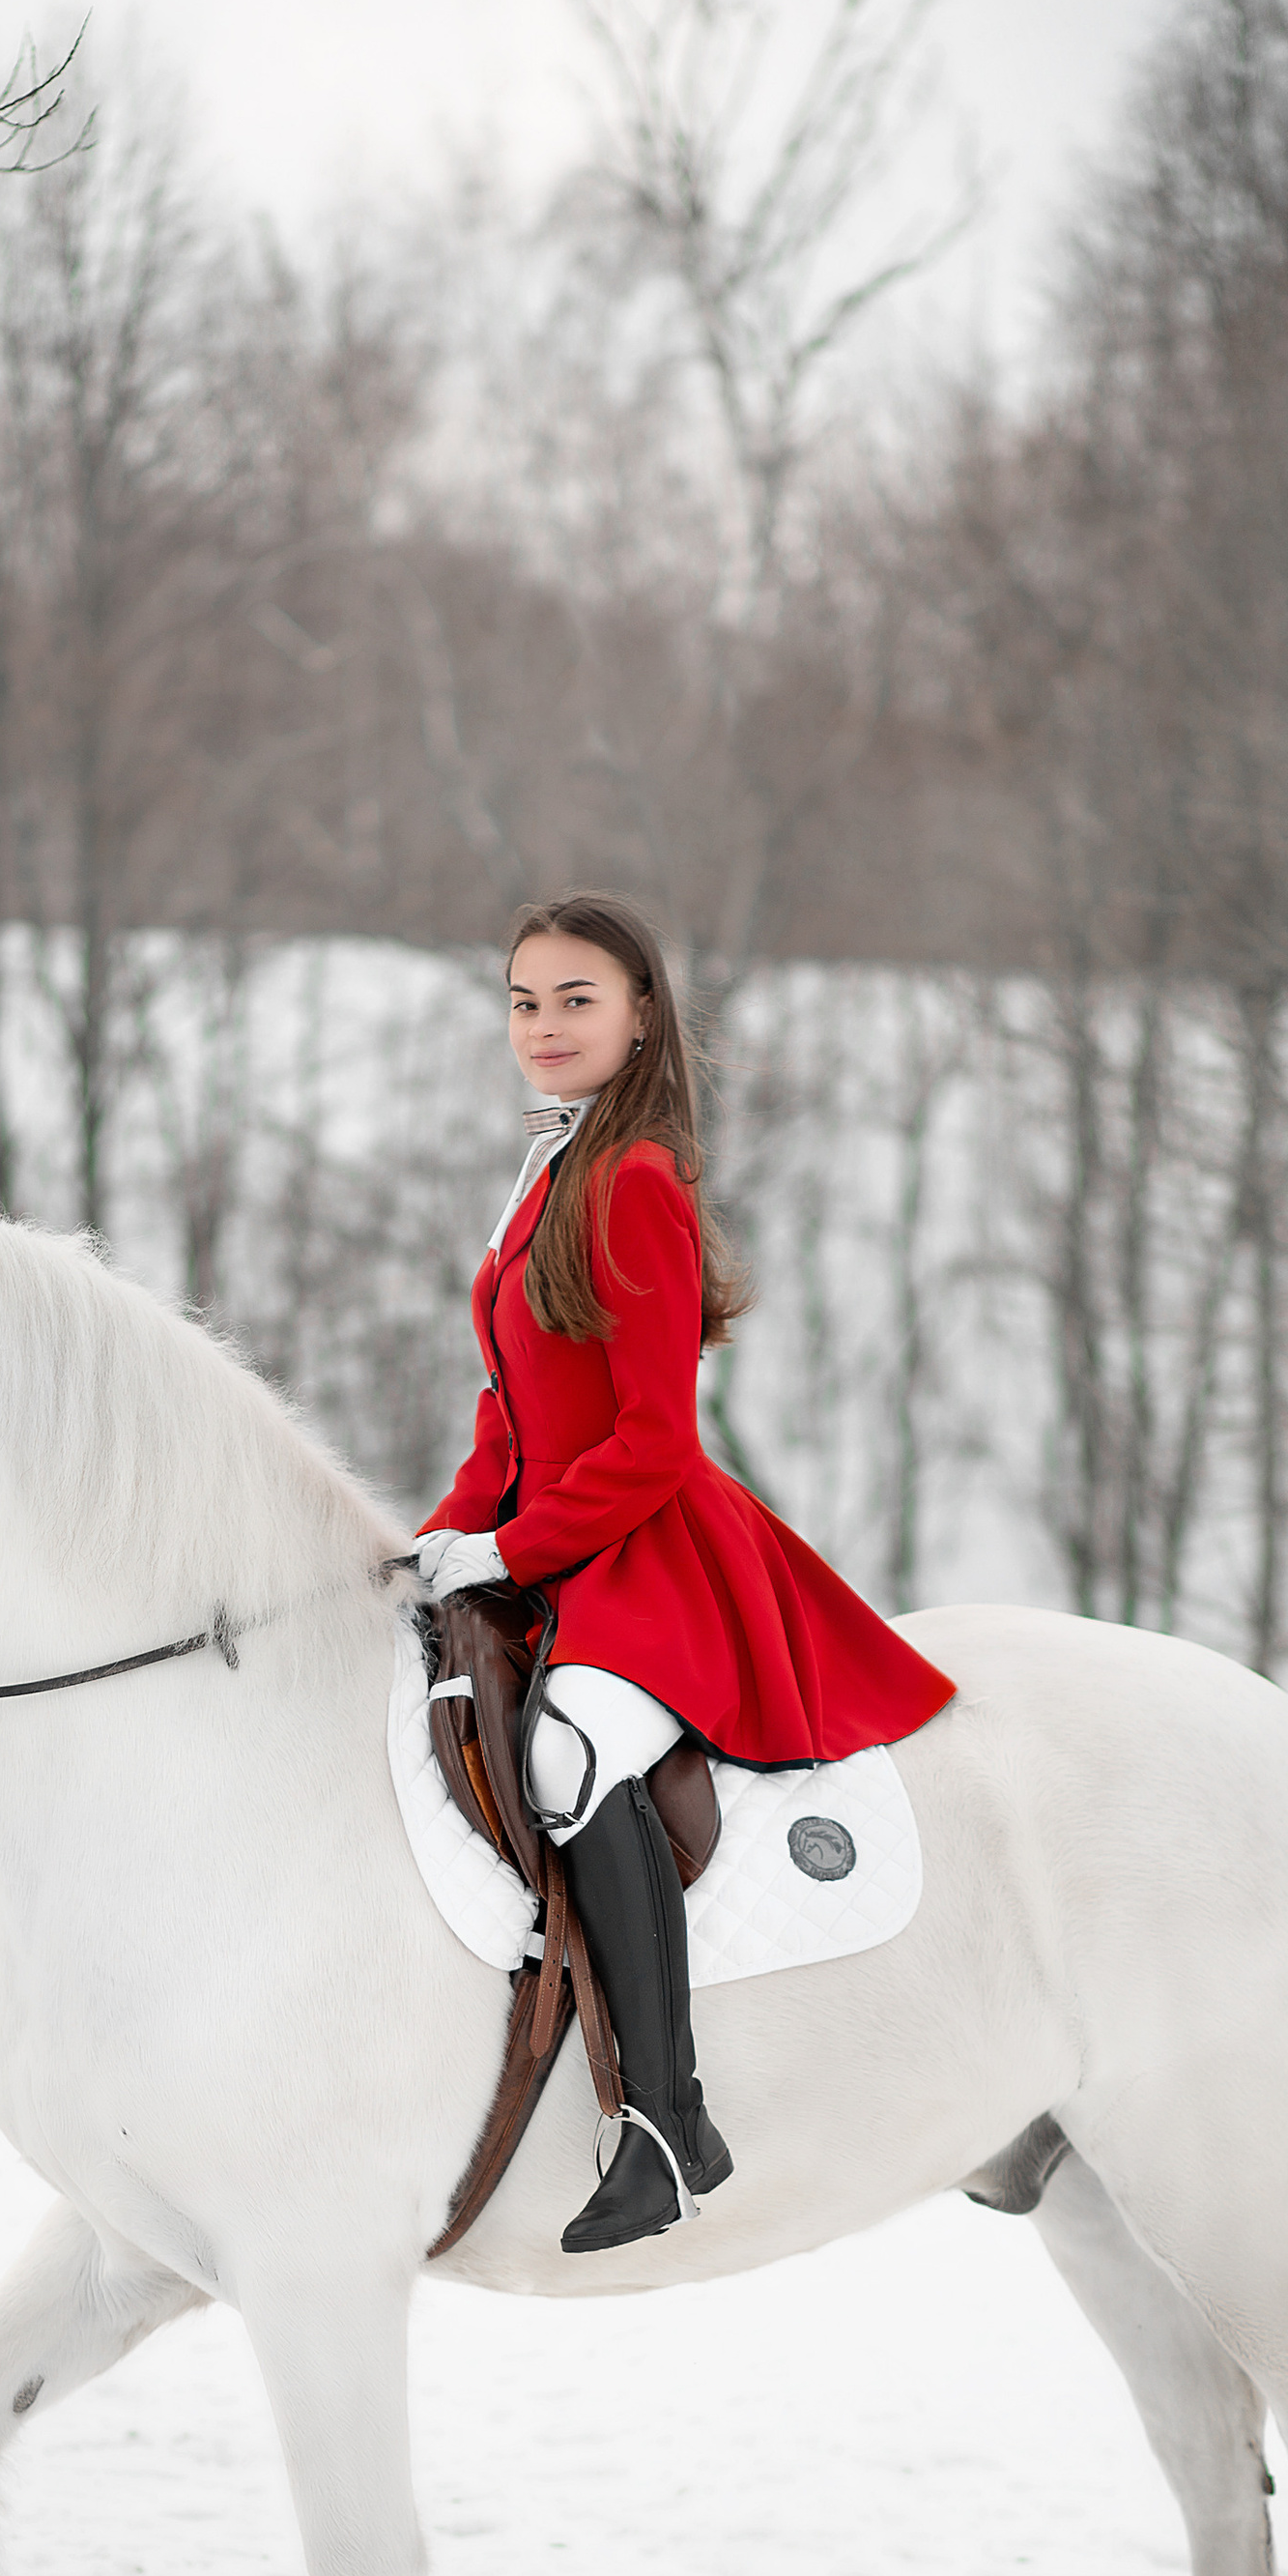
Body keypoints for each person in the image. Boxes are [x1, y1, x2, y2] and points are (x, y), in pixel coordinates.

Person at [416, 892, 959, 2254]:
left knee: (568, 1758)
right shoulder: (547, 1168)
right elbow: (509, 1413)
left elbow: (653, 1439)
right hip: (557, 1540)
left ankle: (665, 2124)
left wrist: (514, 1549)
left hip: (647, 1553)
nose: (544, 1026)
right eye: (524, 1001)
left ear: (642, 1014)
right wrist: (438, 1538)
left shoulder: (635, 1181)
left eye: (576, 1000)